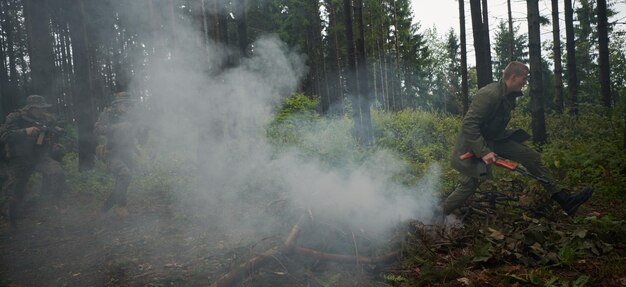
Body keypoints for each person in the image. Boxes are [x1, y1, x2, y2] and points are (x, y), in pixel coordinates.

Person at [443, 61, 593, 218]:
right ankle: (438, 214)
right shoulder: (489, 95)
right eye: (524, 78)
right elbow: (469, 124)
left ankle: (564, 199)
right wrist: (483, 152)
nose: (525, 82)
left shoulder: (508, 95)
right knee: (469, 185)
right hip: (472, 145)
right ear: (514, 77)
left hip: (494, 140)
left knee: (531, 157)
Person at [1, 95, 66, 226]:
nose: (41, 111)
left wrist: (54, 144)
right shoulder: (15, 117)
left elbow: (50, 133)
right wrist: (25, 131)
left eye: (43, 108)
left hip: (40, 157)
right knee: (16, 189)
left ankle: (51, 204)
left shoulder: (46, 118)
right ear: (31, 108)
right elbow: (5, 136)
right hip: (19, 159)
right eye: (39, 108)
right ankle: (11, 218)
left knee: (57, 172)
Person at [94, 91, 142, 218]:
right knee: (124, 174)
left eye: (129, 104)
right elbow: (98, 129)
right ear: (117, 104)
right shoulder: (108, 114)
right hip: (111, 152)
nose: (128, 107)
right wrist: (118, 127)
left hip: (126, 151)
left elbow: (137, 131)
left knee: (124, 181)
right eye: (125, 104)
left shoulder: (131, 115)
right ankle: (121, 206)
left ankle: (105, 208)